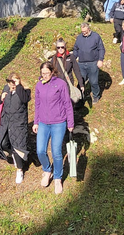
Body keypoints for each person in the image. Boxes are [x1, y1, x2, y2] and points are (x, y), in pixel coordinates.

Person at [33, 62, 74, 194]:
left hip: (58, 123)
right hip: (43, 123)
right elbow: (37, 104)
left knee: (56, 152)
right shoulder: (39, 85)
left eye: (47, 73)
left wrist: (70, 123)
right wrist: (36, 122)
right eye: (42, 73)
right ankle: (47, 170)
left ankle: (57, 178)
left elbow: (67, 104)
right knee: (40, 150)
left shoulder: (60, 84)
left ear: (52, 72)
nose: (44, 75)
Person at [0, 72, 31, 184]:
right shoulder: (6, 89)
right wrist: (1, 97)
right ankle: (16, 156)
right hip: (6, 122)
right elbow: (0, 102)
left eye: (14, 81)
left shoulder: (25, 90)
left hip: (18, 124)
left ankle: (19, 170)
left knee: (17, 146)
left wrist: (18, 86)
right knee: (3, 143)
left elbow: (25, 99)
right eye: (10, 81)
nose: (11, 84)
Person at [73, 22, 105, 104]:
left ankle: (96, 96)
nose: (84, 33)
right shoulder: (79, 38)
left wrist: (100, 59)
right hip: (81, 63)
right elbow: (75, 49)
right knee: (81, 81)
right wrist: (73, 58)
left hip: (93, 63)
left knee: (93, 82)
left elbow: (101, 48)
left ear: (89, 29)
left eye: (85, 31)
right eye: (82, 31)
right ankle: (79, 98)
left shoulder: (96, 36)